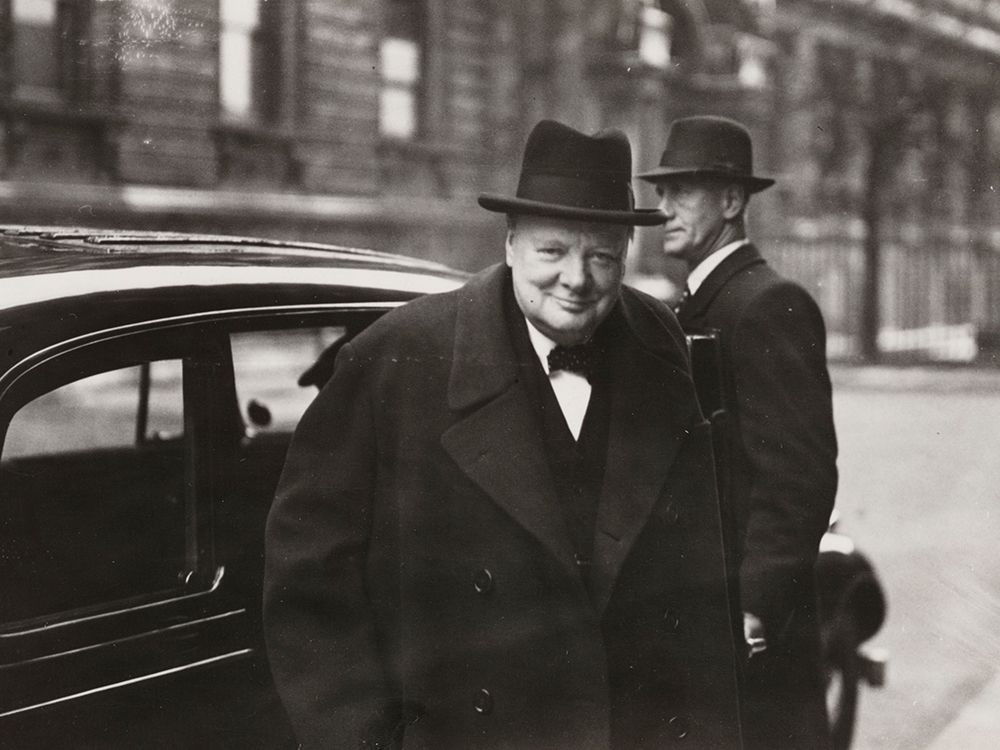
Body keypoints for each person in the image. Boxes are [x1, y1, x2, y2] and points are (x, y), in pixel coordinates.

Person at [264, 119, 743, 750]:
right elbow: (309, 583)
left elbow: (699, 585)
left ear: (625, 257)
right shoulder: (395, 358)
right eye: (552, 252)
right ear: (511, 243)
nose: (577, 278)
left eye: (602, 255)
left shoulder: (657, 342)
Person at [639, 115, 838, 749]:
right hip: (703, 613)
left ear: (731, 201)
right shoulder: (695, 303)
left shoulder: (767, 303)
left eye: (682, 191)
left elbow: (800, 473)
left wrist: (757, 607)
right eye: (661, 190)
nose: (662, 206)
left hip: (749, 629)